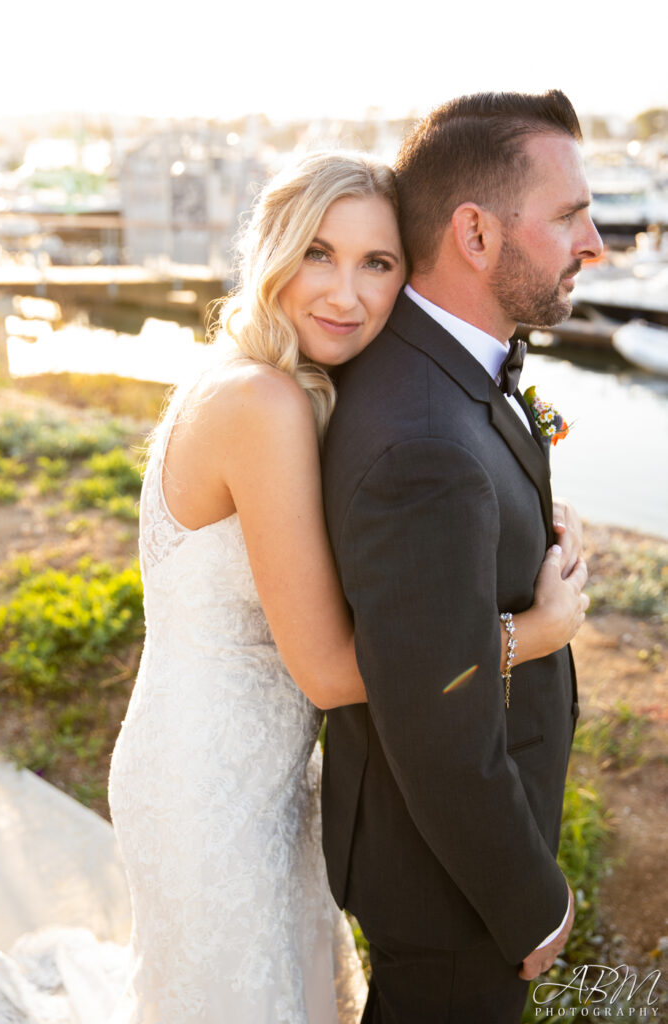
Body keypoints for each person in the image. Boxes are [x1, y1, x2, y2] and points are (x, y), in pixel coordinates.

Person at [0, 149, 588, 1024]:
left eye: (376, 264)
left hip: (259, 772)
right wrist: (536, 628)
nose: (345, 294)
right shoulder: (262, 405)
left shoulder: (274, 380)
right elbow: (331, 672)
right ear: (272, 252)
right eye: (318, 253)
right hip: (211, 788)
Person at [320, 91, 603, 1024]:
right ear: (475, 235)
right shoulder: (423, 444)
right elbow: (434, 721)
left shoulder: (440, 369)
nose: (594, 243)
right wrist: (528, 899)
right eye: (568, 216)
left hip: (443, 861)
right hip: (450, 884)